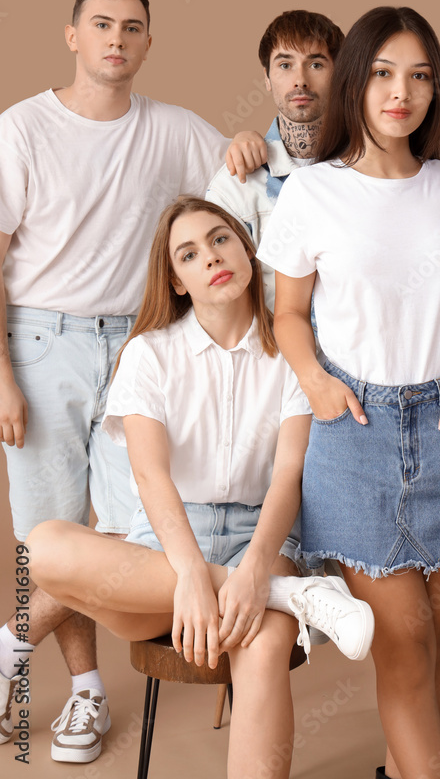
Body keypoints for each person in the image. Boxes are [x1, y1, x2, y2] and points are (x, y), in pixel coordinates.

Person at [0, 0, 265, 762]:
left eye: (134, 27)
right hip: (41, 342)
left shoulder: (174, 128)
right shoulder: (22, 128)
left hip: (141, 346)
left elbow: (236, 186)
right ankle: (84, 692)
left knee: (118, 531)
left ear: (148, 43)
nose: (117, 39)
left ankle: (10, 655)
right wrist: (2, 376)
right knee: (42, 534)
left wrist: (252, 146)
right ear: (73, 35)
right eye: (102, 24)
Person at [25, 196, 373, 773]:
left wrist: (259, 568)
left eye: (220, 239)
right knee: (43, 546)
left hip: (261, 538)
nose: (211, 257)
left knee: (261, 652)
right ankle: (302, 597)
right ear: (177, 281)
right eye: (188, 254)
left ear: (245, 247)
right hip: (165, 548)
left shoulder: (292, 351)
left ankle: (280, 590)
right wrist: (188, 572)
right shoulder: (149, 354)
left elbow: (290, 472)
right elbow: (149, 473)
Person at [258, 7, 440, 779]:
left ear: (435, 89)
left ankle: (406, 769)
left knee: (434, 635)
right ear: (354, 81)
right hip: (355, 432)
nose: (402, 92)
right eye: (383, 72)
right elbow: (289, 314)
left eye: (421, 75)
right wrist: (317, 384)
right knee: (401, 640)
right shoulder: (311, 194)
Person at [206, 10, 344, 308]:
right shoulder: (236, 186)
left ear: (341, 74)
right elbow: (222, 303)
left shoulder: (371, 169)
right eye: (285, 65)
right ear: (267, 79)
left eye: (316, 64)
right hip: (272, 351)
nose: (300, 81)